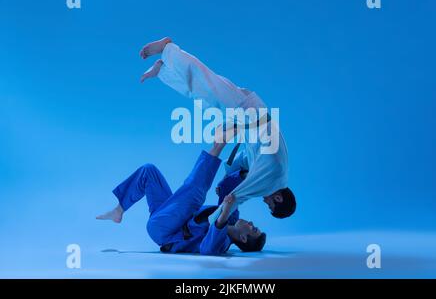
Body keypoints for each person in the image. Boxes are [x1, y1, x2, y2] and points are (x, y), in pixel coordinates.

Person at [139, 37, 296, 221]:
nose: (264, 199)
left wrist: (226, 179)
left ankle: (162, 71)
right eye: (268, 203)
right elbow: (237, 197)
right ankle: (168, 48)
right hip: (246, 112)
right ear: (278, 197)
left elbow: (244, 160)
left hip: (247, 114)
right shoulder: (272, 180)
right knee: (203, 80)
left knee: (201, 95)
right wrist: (214, 219)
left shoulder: (274, 170)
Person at [96, 139, 266, 255]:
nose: (251, 223)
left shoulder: (223, 244)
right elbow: (227, 188)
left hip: (165, 231)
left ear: (243, 238)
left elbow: (208, 250)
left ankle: (218, 146)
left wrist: (224, 213)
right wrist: (245, 175)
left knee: (194, 195)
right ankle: (119, 210)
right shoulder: (232, 216)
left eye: (253, 229)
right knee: (149, 171)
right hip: (170, 217)